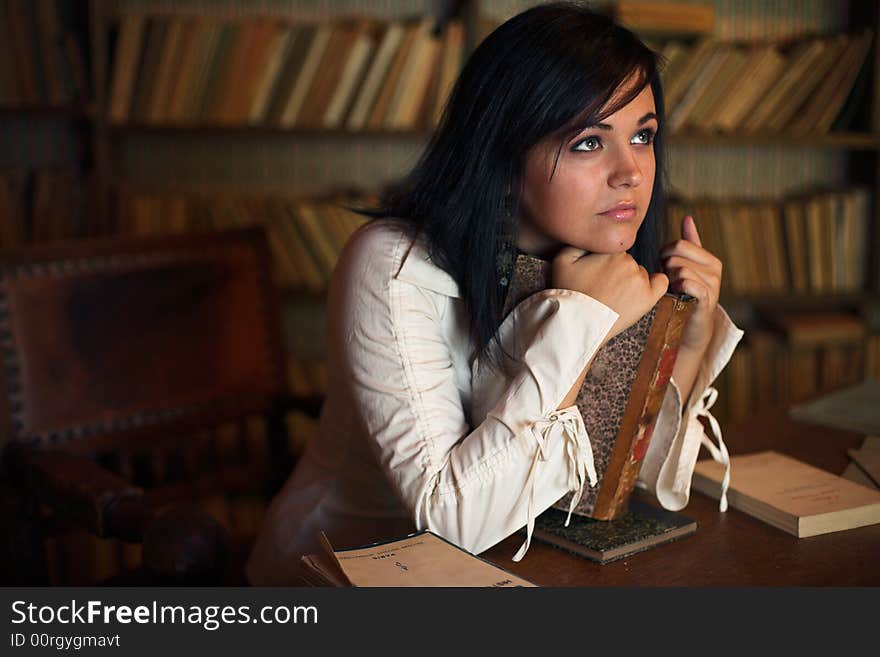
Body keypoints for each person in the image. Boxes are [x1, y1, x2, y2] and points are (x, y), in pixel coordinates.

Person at [246, 1, 744, 585]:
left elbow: (637, 487)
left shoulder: (602, 262)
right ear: (504, 155)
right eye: (589, 141)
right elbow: (450, 520)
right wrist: (579, 319)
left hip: (508, 573)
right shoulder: (391, 263)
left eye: (643, 135)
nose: (630, 171)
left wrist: (690, 342)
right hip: (337, 578)